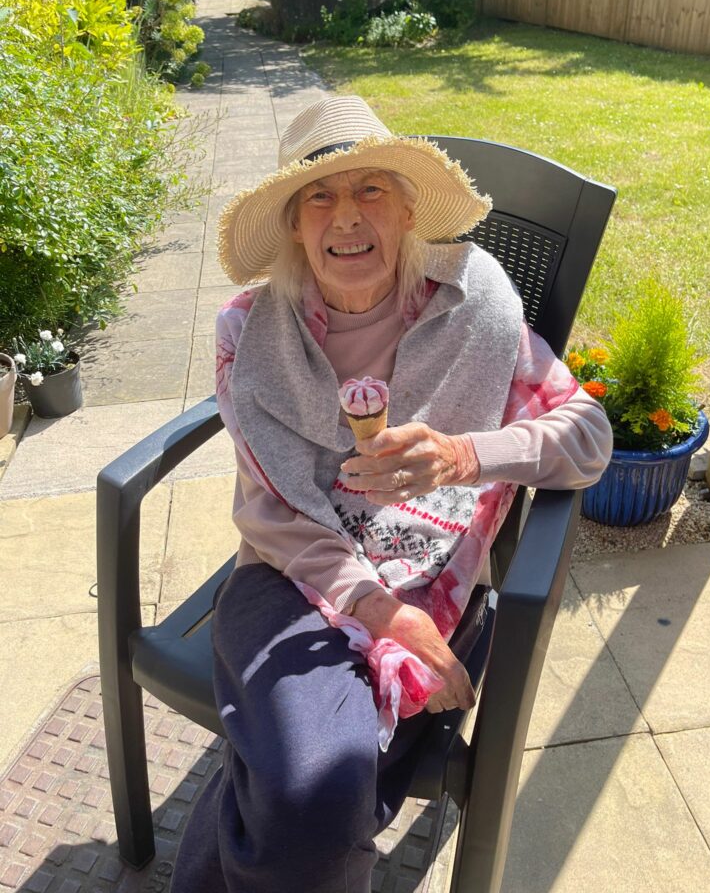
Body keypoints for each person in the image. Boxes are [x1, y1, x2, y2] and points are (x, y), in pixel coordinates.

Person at [170, 95, 612, 893]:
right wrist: (378, 612)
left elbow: (588, 439)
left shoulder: (474, 307)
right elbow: (269, 510)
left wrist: (464, 454)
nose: (346, 215)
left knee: (310, 796)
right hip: (287, 578)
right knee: (320, 796)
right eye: (319, 197)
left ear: (408, 212)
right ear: (294, 226)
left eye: (371, 188)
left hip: (431, 575)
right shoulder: (253, 333)